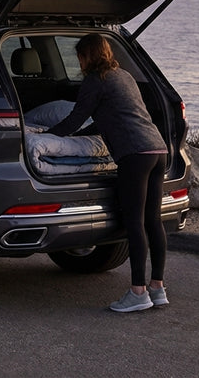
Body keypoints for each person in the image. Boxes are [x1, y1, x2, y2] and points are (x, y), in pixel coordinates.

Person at [44, 33, 169, 313]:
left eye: (80, 56)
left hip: (134, 155)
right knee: (153, 221)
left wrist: (44, 136)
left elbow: (76, 119)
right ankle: (157, 288)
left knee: (134, 223)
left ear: (88, 56)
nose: (79, 62)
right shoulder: (123, 75)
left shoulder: (95, 80)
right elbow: (110, 118)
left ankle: (138, 293)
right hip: (157, 149)